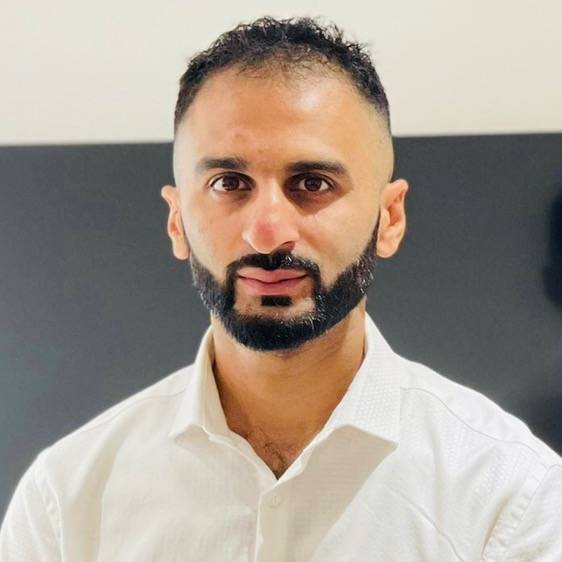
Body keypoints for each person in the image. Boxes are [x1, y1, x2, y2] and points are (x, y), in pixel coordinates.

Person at [1, 15, 561, 562]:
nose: (267, 231)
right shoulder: (65, 503)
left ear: (389, 217)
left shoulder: (511, 499)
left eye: (312, 183)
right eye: (229, 183)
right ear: (177, 221)